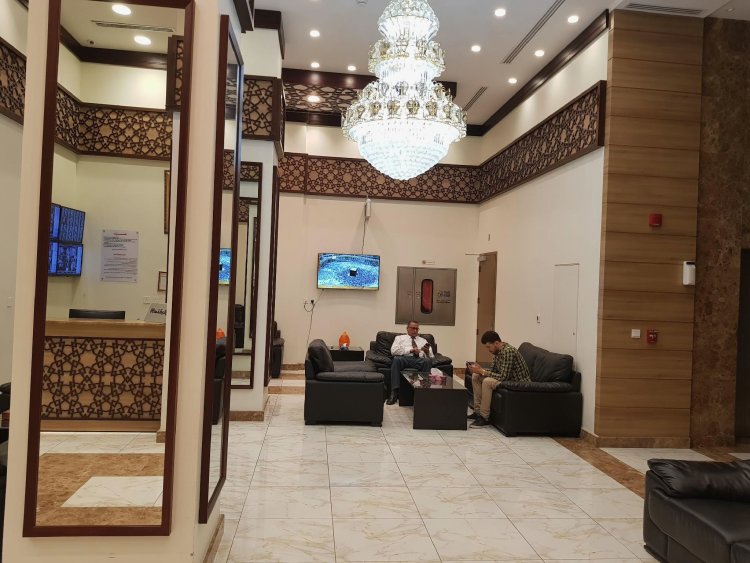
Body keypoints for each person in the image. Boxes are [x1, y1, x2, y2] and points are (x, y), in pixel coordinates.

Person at [466, 331, 530, 428]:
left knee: (487, 382)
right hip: (506, 378)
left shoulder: (508, 352)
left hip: (516, 382)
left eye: (489, 347)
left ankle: (484, 417)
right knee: (476, 376)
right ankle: (477, 412)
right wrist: (480, 370)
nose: (488, 350)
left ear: (496, 343)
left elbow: (504, 377)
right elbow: (493, 371)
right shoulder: (497, 352)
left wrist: (483, 371)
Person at [387, 320, 433, 405]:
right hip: (404, 358)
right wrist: (411, 350)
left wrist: (425, 352)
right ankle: (394, 392)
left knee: (427, 361)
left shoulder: (423, 340)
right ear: (407, 328)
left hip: (418, 360)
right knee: (396, 360)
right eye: (413, 328)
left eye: (417, 329)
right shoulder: (399, 338)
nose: (415, 330)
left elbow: (431, 355)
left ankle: (424, 392)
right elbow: (393, 351)